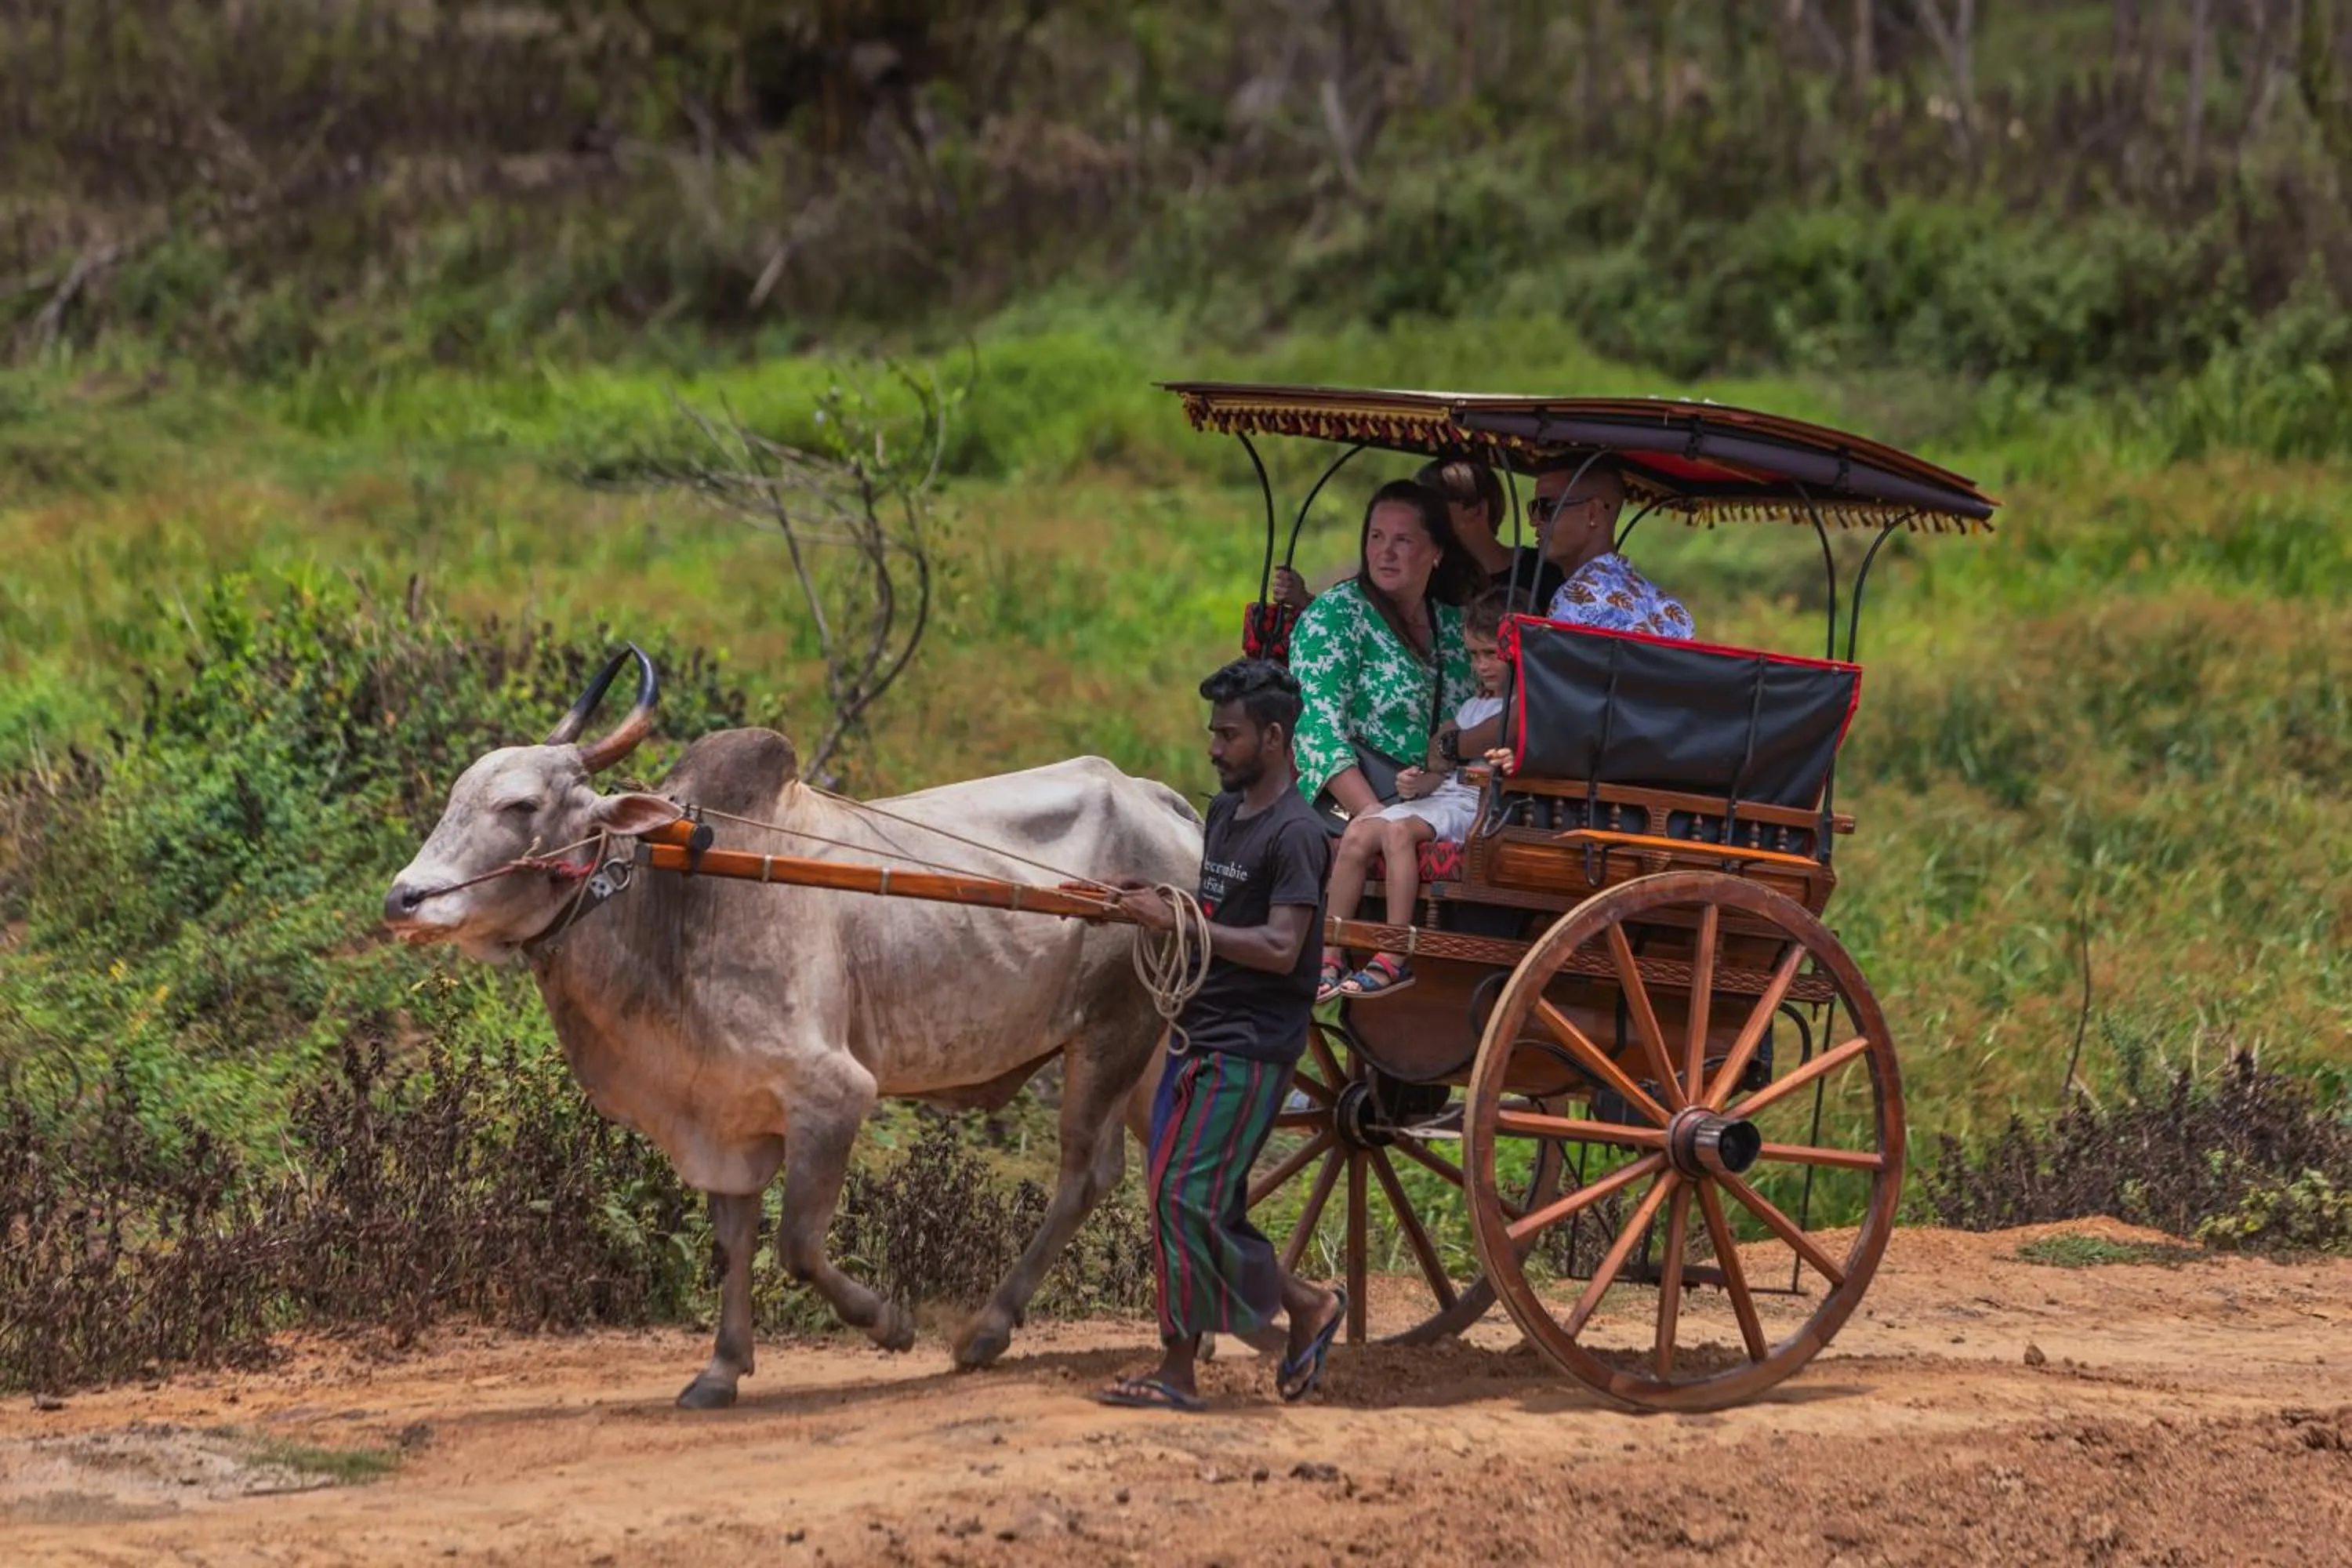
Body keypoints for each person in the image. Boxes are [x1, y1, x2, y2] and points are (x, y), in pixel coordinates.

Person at [1096, 659, 1347, 1414]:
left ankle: (1184, 1367)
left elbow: (1278, 946)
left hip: (1251, 1042)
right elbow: (1220, 913)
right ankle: (1302, 1307)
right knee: (1192, 1199)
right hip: (1201, 1027)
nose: (1214, 748)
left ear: (1274, 738)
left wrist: (1179, 921)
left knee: (1181, 1196)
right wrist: (1162, 901)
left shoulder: (1298, 835)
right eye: (1213, 733)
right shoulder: (1228, 816)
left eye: (1229, 736)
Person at [1318, 592, 1511, 1001]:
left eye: (1491, 654)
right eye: (1475, 655)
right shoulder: (1478, 705)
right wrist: (1421, 782)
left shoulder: (1522, 709)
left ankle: (1393, 951)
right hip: (1447, 795)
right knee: (1358, 833)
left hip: (1479, 808)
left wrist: (1449, 757)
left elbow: (1457, 751)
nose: (1480, 666)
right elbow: (1440, 751)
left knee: (1398, 833)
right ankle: (1330, 952)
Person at [1287, 479, 1486, 822]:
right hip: (1357, 807)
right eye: (1376, 537)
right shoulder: (1338, 614)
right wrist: (1371, 813)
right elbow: (1318, 729)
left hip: (1448, 804)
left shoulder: (1457, 628)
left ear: (1436, 551)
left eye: (1403, 540)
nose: (1386, 552)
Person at [1272, 458, 1561, 615]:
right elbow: (1371, 614)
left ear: (1476, 509)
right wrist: (1304, 599)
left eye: (1432, 503)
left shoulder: (1541, 572)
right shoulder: (1429, 572)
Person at [1535, 456, 1694, 638]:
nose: (1534, 520)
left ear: (1593, 513)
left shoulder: (1576, 597)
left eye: (1545, 507)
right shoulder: (1671, 608)